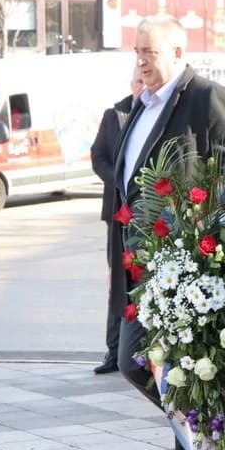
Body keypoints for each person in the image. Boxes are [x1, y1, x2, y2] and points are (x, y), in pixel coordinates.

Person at [120, 16, 225, 450]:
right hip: (146, 270)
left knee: (175, 374)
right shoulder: (141, 105)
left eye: (150, 52)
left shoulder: (205, 97)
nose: (140, 60)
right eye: (136, 51)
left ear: (179, 51)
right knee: (134, 362)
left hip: (190, 266)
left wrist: (206, 225)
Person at [90, 67, 143, 375]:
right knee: (118, 283)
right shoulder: (116, 114)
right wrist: (119, 181)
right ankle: (114, 351)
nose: (142, 85)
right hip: (118, 214)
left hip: (148, 214)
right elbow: (98, 156)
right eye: (137, 81)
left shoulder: (159, 114)